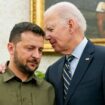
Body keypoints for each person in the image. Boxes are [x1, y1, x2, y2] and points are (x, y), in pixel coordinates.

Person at [44, 2, 105, 105]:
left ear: (70, 25)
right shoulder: (52, 71)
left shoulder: (102, 59)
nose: (46, 37)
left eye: (50, 29)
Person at [0, 22, 55, 105]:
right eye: (30, 48)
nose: (37, 56)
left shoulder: (47, 90)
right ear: (11, 48)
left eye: (40, 50)